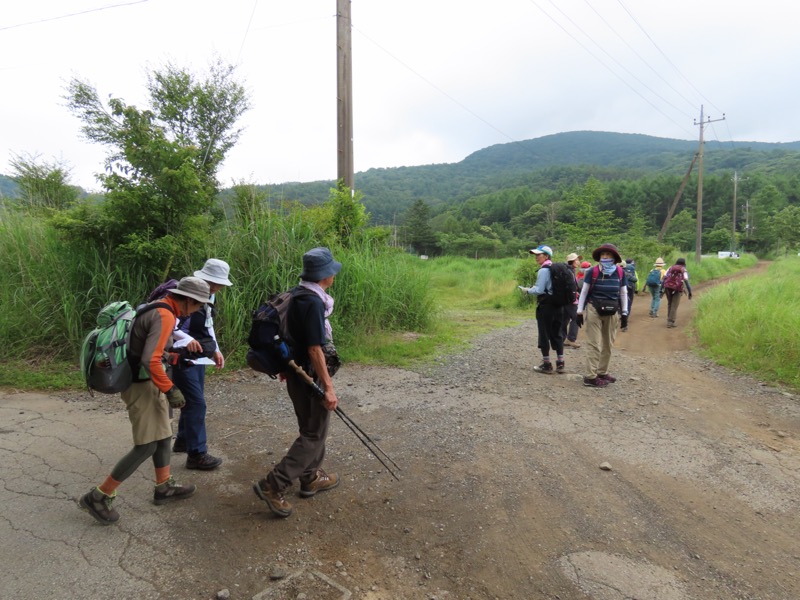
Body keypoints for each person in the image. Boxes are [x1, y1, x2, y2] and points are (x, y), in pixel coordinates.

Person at [79, 277, 211, 525]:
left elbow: (148, 350)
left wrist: (172, 355)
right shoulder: (166, 316)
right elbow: (150, 360)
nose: (198, 310)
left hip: (148, 382)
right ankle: (98, 496)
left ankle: (164, 487)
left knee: (162, 436)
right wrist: (171, 389)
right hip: (142, 386)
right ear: (189, 300)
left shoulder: (158, 306)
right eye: (199, 305)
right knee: (147, 445)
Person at [253, 247, 342, 518]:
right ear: (325, 275)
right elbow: (315, 349)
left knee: (311, 428)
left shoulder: (296, 293)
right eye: (332, 271)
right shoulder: (313, 302)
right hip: (308, 374)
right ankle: (274, 484)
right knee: (314, 433)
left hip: (294, 371)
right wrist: (328, 386)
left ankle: (310, 477)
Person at [171, 259, 233, 470]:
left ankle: (183, 440)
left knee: (192, 398)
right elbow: (167, 323)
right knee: (197, 403)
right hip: (180, 354)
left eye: (219, 284)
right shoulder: (186, 292)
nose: (215, 287)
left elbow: (208, 324)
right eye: (213, 282)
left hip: (198, 355)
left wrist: (215, 349)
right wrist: (186, 339)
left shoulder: (210, 295)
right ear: (203, 276)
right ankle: (196, 454)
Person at [576, 243, 629, 388]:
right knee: (594, 343)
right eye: (603, 255)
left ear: (614, 257)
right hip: (594, 309)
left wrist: (624, 313)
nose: (605, 257)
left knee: (608, 344)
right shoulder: (592, 272)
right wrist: (579, 311)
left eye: (608, 254)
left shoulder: (620, 272)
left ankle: (602, 372)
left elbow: (623, 293)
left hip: (612, 311)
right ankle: (590, 377)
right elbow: (584, 292)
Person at [519, 245, 566, 374]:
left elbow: (539, 290)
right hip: (559, 306)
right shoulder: (558, 269)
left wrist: (527, 290)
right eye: (536, 255)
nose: (536, 257)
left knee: (544, 333)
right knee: (557, 333)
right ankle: (560, 363)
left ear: (546, 256)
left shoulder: (544, 270)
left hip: (546, 306)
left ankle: (547, 364)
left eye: (539, 255)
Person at [661, 257, 693, 328]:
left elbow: (664, 278)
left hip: (667, 288)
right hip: (677, 289)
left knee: (670, 303)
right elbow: (687, 282)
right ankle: (670, 322)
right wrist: (690, 292)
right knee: (674, 305)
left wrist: (661, 290)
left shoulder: (670, 268)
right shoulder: (683, 269)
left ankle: (669, 320)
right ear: (684, 263)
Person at [562, 252, 582, 348]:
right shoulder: (570, 272)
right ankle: (571, 339)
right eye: (577, 260)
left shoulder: (569, 271)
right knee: (576, 318)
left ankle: (562, 338)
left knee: (565, 318)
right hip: (571, 300)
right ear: (572, 261)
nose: (578, 262)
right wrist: (574, 293)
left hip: (566, 299)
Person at [622, 259, 638, 328]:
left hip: (619, 288)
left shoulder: (615, 271)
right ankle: (626, 315)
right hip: (629, 287)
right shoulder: (630, 269)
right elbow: (635, 279)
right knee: (628, 301)